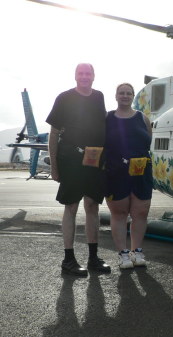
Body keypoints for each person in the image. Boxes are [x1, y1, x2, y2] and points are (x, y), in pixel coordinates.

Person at [46, 63, 110, 276]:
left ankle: (93, 258)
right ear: (75, 76)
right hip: (71, 159)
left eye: (88, 73)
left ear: (94, 76)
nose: (84, 77)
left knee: (92, 205)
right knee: (71, 206)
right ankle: (68, 259)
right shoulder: (64, 98)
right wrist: (54, 166)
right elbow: (53, 134)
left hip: (94, 158)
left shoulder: (99, 96)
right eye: (80, 73)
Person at [104, 83, 153, 269]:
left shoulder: (142, 118)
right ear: (116, 96)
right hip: (116, 171)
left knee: (140, 213)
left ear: (133, 96)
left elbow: (148, 141)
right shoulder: (107, 118)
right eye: (121, 93)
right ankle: (123, 254)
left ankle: (137, 251)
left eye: (128, 93)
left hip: (141, 171)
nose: (125, 96)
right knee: (119, 213)